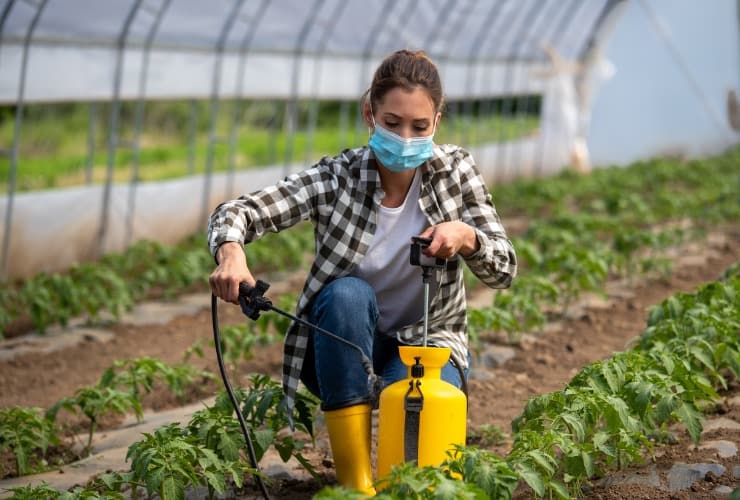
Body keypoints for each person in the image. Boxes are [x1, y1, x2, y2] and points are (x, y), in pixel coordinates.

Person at [208, 49, 517, 495]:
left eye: (419, 127)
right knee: (347, 294)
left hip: (426, 345)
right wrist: (231, 252)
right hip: (340, 344)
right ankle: (355, 485)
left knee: (416, 456)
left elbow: (505, 268)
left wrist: (468, 236)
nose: (405, 139)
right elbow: (240, 210)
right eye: (392, 124)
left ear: (437, 122)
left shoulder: (456, 172)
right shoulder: (338, 178)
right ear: (369, 113)